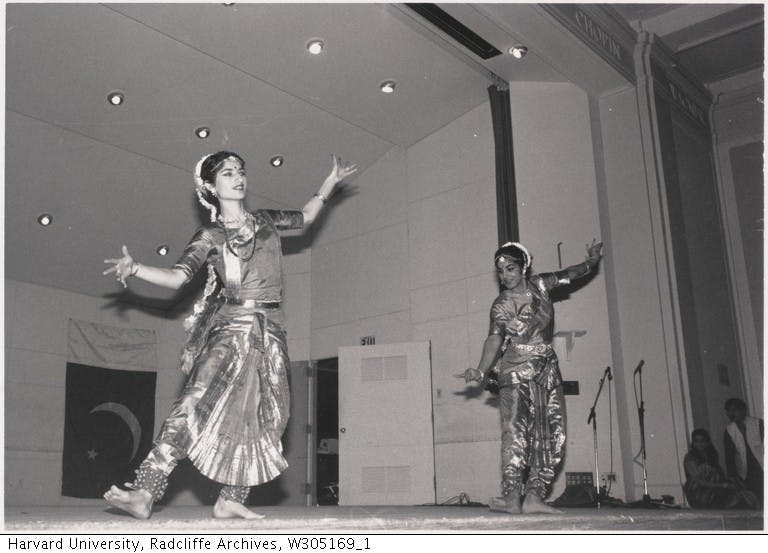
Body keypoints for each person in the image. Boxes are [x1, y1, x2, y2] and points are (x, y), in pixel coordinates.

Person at [102, 151, 356, 519]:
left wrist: (330, 181)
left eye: (240, 171)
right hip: (232, 327)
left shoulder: (267, 221)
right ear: (209, 186)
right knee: (194, 401)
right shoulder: (211, 235)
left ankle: (231, 498)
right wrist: (136, 267)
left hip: (271, 331)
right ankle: (145, 491)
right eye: (227, 173)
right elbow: (177, 278)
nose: (238, 178)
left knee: (271, 416)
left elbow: (305, 217)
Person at [462, 240, 603, 514]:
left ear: (524, 266)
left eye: (510, 268)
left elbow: (572, 273)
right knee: (515, 432)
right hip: (515, 369)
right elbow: (494, 339)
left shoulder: (541, 285)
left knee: (553, 431)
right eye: (500, 271)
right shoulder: (501, 304)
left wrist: (593, 261)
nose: (505, 276)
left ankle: (535, 496)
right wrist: (481, 369)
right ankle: (512, 495)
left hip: (547, 368)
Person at [683, 428, 757, 509]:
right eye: (696, 441)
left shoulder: (710, 455)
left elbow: (719, 476)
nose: (699, 444)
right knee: (728, 495)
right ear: (693, 443)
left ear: (707, 442)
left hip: (714, 487)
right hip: (699, 492)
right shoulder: (690, 458)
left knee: (738, 485)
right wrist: (722, 485)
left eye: (702, 441)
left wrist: (726, 484)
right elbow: (699, 482)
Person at [723, 398, 764, 507]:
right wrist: (732, 475)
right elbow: (729, 455)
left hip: (762, 465)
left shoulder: (758, 424)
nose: (731, 413)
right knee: (754, 497)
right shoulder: (729, 430)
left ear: (743, 410)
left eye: (734, 410)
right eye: (728, 411)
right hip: (746, 470)